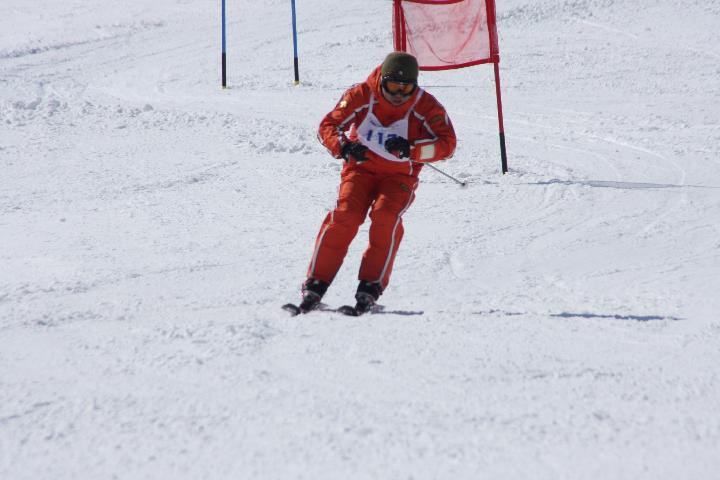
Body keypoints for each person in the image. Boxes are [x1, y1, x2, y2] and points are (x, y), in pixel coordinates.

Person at [295, 52, 457, 315]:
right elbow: (329, 125)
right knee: (346, 215)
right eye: (393, 86)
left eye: (406, 88)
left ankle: (371, 285)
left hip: (399, 177)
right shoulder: (362, 94)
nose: (398, 94)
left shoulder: (426, 106)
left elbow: (447, 144)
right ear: (382, 80)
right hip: (360, 170)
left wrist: (412, 149)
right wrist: (344, 146)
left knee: (385, 216)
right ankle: (316, 282)